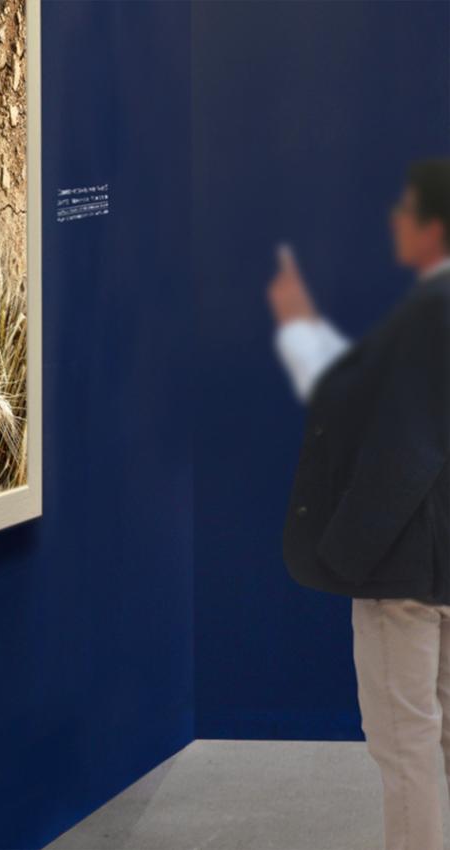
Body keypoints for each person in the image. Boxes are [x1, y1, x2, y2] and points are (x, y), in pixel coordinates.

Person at [267, 157, 450, 850]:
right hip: (437, 567)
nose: (394, 220)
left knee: (404, 747)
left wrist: (345, 554)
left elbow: (402, 449)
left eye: (406, 209)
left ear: (434, 227)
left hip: (404, 575)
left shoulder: (429, 313)